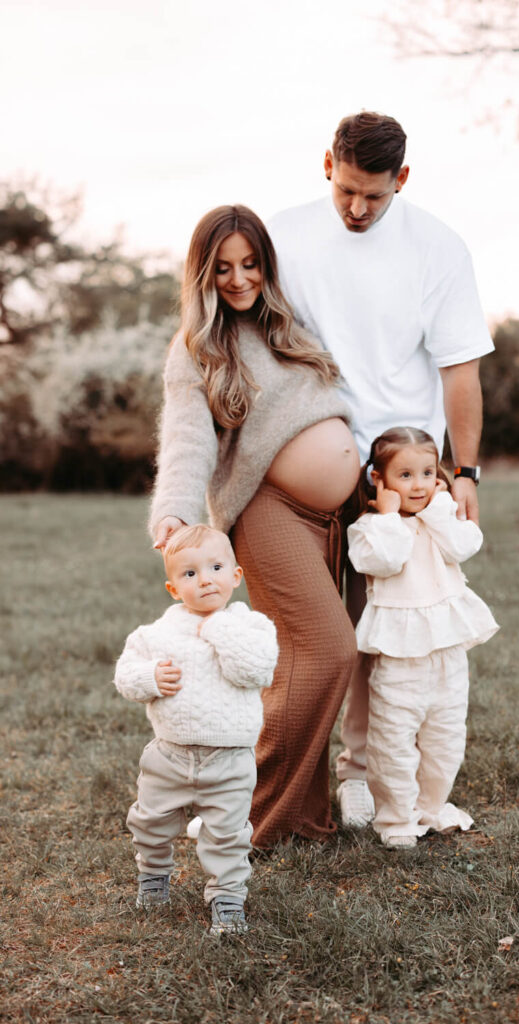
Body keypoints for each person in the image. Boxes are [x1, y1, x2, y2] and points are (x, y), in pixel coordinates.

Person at [268, 111, 495, 828]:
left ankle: (360, 772)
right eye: (346, 192)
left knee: (385, 634)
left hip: (398, 473)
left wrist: (465, 472)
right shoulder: (282, 235)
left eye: (374, 194)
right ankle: (276, 781)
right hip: (308, 457)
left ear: (401, 179)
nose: (357, 208)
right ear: (325, 165)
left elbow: (459, 367)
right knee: (310, 635)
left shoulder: (437, 248)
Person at [148, 205, 359, 849]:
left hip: (334, 516)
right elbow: (187, 438)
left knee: (300, 663)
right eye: (223, 268)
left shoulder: (291, 324)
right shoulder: (197, 349)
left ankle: (303, 819)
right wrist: (175, 512)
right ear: (202, 274)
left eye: (250, 264)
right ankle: (252, 823)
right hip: (265, 509)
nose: (239, 279)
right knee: (328, 649)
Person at [113, 524, 278, 933]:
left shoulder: (253, 627)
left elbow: (254, 670)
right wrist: (149, 677)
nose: (205, 579)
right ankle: (153, 878)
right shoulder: (156, 633)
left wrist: (218, 627)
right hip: (169, 755)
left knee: (227, 835)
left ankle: (227, 899)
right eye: (189, 574)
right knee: (149, 823)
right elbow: (126, 674)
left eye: (216, 567)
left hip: (230, 761)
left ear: (235, 577)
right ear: (173, 589)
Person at [347, 428, 499, 848]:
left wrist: (438, 509)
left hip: (447, 653)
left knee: (445, 737)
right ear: (379, 479)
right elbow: (386, 560)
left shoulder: (440, 518)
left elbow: (465, 545)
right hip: (400, 658)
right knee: (392, 740)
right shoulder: (370, 529)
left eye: (427, 473)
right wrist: (389, 514)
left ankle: (430, 807)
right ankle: (396, 817)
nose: (418, 485)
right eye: (405, 475)